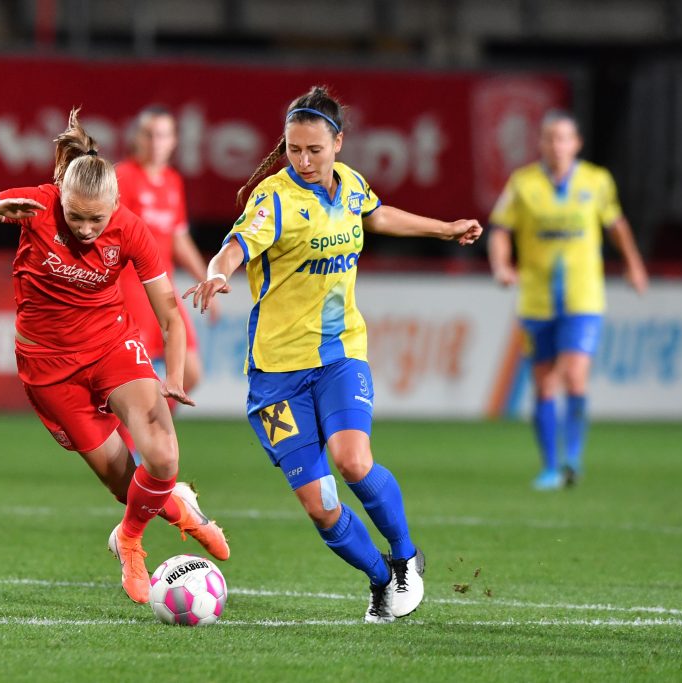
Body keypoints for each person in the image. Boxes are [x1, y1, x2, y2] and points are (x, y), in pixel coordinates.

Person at [185, 86, 482, 624]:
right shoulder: (273, 199)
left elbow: (378, 215)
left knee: (353, 460)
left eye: (314, 150)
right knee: (320, 504)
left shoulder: (350, 186)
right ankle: (379, 581)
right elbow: (236, 246)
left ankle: (407, 557)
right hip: (276, 376)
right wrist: (215, 273)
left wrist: (444, 228)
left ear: (338, 143)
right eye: (293, 150)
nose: (303, 160)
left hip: (341, 353)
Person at [0, 108, 229, 604]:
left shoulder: (131, 229)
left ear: (116, 202)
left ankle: (130, 542)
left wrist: (174, 377)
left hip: (112, 346)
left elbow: (171, 315)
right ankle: (179, 511)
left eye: (98, 217)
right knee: (124, 484)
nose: (88, 228)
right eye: (76, 216)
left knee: (161, 454)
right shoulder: (36, 204)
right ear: (61, 198)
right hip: (49, 370)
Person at [488, 110, 648, 491]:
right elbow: (499, 229)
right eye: (549, 138)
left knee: (575, 374)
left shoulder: (597, 180)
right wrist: (501, 265)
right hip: (537, 300)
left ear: (576, 144)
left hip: (583, 298)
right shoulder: (522, 183)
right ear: (541, 144)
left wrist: (634, 265)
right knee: (544, 386)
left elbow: (616, 225)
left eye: (563, 139)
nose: (556, 146)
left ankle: (573, 460)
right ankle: (551, 467)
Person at [116, 106, 212, 409]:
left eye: (162, 135)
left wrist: (208, 279)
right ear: (137, 138)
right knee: (134, 376)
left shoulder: (172, 181)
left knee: (190, 372)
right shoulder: (123, 177)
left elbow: (178, 238)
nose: (155, 142)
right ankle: (133, 441)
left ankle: (151, 427)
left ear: (173, 141)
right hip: (131, 288)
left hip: (164, 288)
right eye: (149, 134)